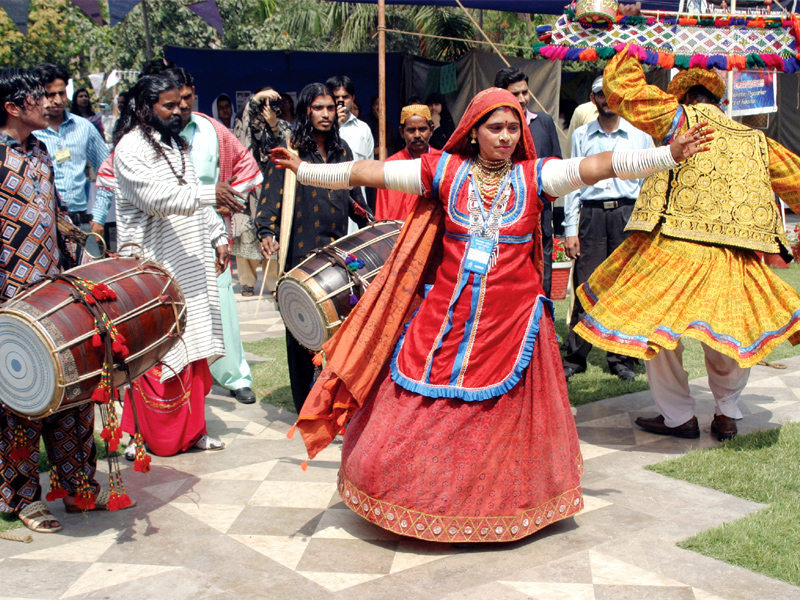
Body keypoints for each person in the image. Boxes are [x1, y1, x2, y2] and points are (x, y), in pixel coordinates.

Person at [270, 87, 709, 542]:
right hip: (444, 321)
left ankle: (499, 511)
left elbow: (599, 166)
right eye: (495, 128)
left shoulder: (536, 175)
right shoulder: (443, 170)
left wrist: (668, 155)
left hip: (513, 325)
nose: (505, 137)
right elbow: (369, 172)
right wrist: (306, 170)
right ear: (473, 131)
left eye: (513, 128)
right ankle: (416, 502)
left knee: (502, 428)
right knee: (421, 415)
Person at [574, 43, 800, 441]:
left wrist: (634, 45)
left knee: (658, 333)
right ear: (720, 99)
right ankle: (727, 413)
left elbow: (619, 87)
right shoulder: (756, 141)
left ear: (682, 94)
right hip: (735, 255)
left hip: (673, 252)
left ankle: (679, 417)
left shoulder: (676, 117)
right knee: (730, 332)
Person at [0, 68, 131, 533]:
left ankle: (77, 486)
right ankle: (22, 498)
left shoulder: (39, 150)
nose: (48, 103)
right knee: (20, 400)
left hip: (54, 290)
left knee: (72, 389)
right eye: (36, 98)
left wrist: (93, 248)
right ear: (13, 108)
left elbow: (55, 212)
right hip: (11, 300)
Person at [112, 74, 245, 457]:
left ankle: (193, 432)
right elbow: (159, 198)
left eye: (181, 104)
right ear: (144, 108)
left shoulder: (176, 144)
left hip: (192, 265)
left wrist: (219, 237)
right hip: (153, 267)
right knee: (159, 354)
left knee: (195, 347)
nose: (179, 110)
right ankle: (147, 437)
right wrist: (210, 193)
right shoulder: (130, 148)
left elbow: (195, 197)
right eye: (168, 106)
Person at [255, 82, 371, 413]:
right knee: (302, 329)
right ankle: (305, 402)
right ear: (307, 110)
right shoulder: (290, 148)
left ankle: (334, 397)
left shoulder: (343, 150)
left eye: (330, 108)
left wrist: (369, 224)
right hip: (299, 251)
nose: (325, 114)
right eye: (318, 108)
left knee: (340, 324)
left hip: (336, 251)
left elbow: (353, 196)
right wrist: (266, 230)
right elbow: (271, 194)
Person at [168, 67, 262, 404]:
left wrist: (227, 200)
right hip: (164, 233)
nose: (179, 107)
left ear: (193, 92)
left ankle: (234, 376)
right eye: (172, 101)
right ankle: (177, 382)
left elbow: (248, 168)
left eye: (185, 98)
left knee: (221, 304)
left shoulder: (211, 129)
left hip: (210, 233)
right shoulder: (150, 132)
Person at [561, 76, 654, 382]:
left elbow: (649, 183)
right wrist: (570, 228)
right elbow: (573, 182)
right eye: (602, 94)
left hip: (627, 214)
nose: (608, 99)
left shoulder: (638, 135)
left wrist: (645, 226)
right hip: (592, 215)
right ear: (593, 98)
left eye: (613, 93)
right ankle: (576, 356)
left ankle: (621, 357)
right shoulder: (582, 135)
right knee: (586, 284)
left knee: (625, 286)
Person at [33, 64, 113, 261]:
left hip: (81, 224)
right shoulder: (31, 132)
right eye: (50, 95)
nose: (58, 100)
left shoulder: (83, 127)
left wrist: (99, 215)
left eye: (61, 93)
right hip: (43, 226)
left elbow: (108, 171)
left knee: (92, 284)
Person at [494, 66, 562, 297]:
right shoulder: (492, 130)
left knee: (543, 274)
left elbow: (557, 167)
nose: (522, 99)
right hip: (504, 217)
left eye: (525, 92)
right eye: (515, 94)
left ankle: (543, 326)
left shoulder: (543, 123)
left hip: (540, 215)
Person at [233, 86, 291, 296]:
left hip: (274, 187)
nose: (269, 107)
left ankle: (274, 283)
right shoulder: (246, 125)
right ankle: (247, 282)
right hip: (249, 189)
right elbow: (242, 123)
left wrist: (274, 127)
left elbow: (288, 149)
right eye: (264, 102)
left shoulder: (284, 127)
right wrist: (256, 98)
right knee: (246, 233)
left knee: (272, 233)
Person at [374, 103, 441, 221]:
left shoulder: (443, 163)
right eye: (411, 130)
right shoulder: (390, 166)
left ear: (431, 130)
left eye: (422, 129)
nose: (417, 135)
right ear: (401, 132)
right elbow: (382, 215)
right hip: (399, 236)